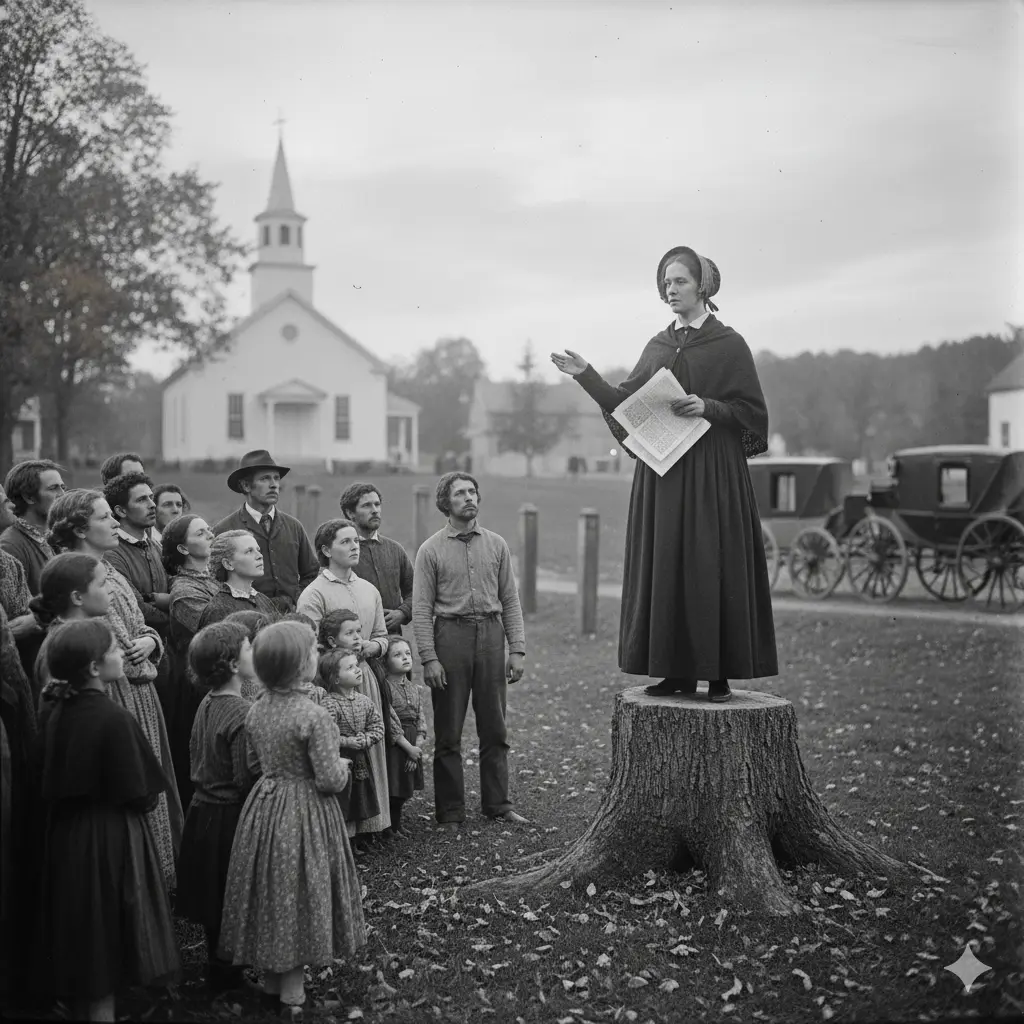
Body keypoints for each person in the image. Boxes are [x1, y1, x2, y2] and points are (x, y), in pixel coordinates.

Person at [550, 245, 778, 702]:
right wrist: (585, 375)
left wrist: (707, 407)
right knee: (667, 564)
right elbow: (623, 402)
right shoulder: (659, 345)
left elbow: (752, 414)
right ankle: (674, 672)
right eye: (666, 283)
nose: (670, 290)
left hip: (712, 473)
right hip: (664, 473)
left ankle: (718, 675)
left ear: (703, 286)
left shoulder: (729, 344)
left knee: (709, 564)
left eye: (680, 281)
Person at [35, 619, 179, 1023]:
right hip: (110, 837)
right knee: (107, 929)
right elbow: (142, 792)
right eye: (115, 650)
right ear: (96, 668)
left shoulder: (56, 709)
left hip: (66, 836)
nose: (122, 654)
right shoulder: (113, 718)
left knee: (83, 927)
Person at [218, 621, 366, 1009]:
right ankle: (293, 994)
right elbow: (329, 779)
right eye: (313, 653)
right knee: (300, 889)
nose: (317, 657)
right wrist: (342, 767)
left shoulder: (257, 709)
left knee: (272, 888)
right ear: (300, 665)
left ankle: (271, 983)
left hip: (265, 806)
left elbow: (253, 762)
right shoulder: (313, 716)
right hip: (305, 812)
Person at [45, 488, 183, 886]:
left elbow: (137, 624)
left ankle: (157, 876)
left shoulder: (113, 571)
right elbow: (101, 643)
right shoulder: (76, 573)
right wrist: (131, 650)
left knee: (154, 784)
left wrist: (150, 641)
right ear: (79, 528)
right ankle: (137, 880)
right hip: (112, 693)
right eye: (105, 518)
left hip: (140, 690)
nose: (115, 524)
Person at [412, 473, 527, 826]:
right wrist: (429, 659)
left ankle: (499, 805)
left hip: (491, 637)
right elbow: (420, 609)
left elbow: (509, 599)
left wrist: (517, 648)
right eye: (460, 493)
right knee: (448, 731)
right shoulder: (430, 550)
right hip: (451, 637)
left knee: (495, 727)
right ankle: (450, 811)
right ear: (446, 503)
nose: (468, 498)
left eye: (472, 491)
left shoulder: (496, 545)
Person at [176, 621, 258, 994]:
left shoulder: (207, 702)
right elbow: (245, 777)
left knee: (215, 897)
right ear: (233, 664)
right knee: (230, 893)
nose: (254, 653)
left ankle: (220, 966)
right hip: (227, 816)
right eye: (248, 648)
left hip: (202, 811)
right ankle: (228, 975)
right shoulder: (241, 711)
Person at [297, 521, 392, 835]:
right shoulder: (314, 594)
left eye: (357, 542)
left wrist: (372, 646)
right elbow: (309, 646)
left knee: (371, 747)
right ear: (326, 550)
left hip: (365, 675)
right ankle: (343, 827)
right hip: (332, 682)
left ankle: (374, 823)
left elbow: (382, 635)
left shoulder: (368, 589)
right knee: (341, 750)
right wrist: (337, 657)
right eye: (346, 542)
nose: (355, 547)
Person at [212, 450, 318, 612]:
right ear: (246, 486)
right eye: (265, 479)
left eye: (276, 478)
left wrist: (297, 599)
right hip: (246, 618)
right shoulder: (225, 529)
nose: (274, 484)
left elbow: (310, 573)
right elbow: (215, 581)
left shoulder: (294, 526)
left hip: (291, 617)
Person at [162, 514, 220, 808]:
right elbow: (216, 636)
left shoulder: (217, 579)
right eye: (201, 532)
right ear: (183, 549)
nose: (211, 534)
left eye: (210, 529)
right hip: (200, 686)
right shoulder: (184, 591)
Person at [316, 648, 383, 838]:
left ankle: (358, 840)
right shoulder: (329, 703)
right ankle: (343, 841)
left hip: (361, 759)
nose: (357, 670)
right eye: (350, 667)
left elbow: (378, 726)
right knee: (343, 801)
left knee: (359, 799)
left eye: (357, 665)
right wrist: (347, 742)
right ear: (335, 679)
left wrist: (366, 739)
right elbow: (326, 733)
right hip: (340, 760)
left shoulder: (365, 701)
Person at [339, 482, 414, 635]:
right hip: (355, 640)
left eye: (377, 505)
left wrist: (402, 612)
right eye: (366, 506)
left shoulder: (395, 550)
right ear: (350, 513)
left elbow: (415, 591)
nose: (374, 511)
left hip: (393, 639)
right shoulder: (339, 552)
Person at [103, 472, 170, 637]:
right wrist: (175, 620)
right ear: (121, 510)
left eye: (151, 497)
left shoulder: (156, 546)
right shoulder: (111, 553)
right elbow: (135, 606)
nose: (152, 504)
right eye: (141, 500)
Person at [372, 636, 426, 838]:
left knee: (405, 787)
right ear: (385, 662)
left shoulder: (414, 688)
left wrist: (418, 747)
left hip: (412, 743)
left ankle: (397, 824)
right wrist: (408, 749)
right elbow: (391, 722)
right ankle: (389, 828)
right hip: (396, 745)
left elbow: (421, 719)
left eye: (408, 654)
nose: (405, 658)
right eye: (397, 654)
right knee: (394, 787)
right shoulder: (384, 688)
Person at [1, 459, 63, 594]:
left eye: (62, 487)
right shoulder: (10, 546)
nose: (62, 495)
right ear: (29, 497)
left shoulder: (56, 538)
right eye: (53, 488)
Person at [197, 530, 281, 628]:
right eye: (249, 551)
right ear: (228, 564)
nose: (260, 556)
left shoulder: (263, 600)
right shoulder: (218, 609)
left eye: (258, 550)